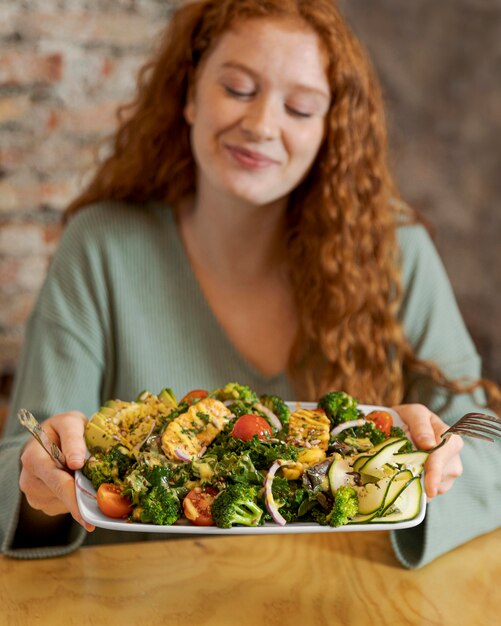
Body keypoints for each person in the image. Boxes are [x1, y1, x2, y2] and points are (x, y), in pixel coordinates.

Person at [1, 0, 499, 567]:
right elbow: (23, 461)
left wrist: (434, 466)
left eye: (301, 107)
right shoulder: (100, 245)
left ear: (330, 128)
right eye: (238, 89)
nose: (262, 125)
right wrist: (40, 479)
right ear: (188, 95)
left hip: (344, 596)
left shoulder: (395, 249)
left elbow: (490, 450)